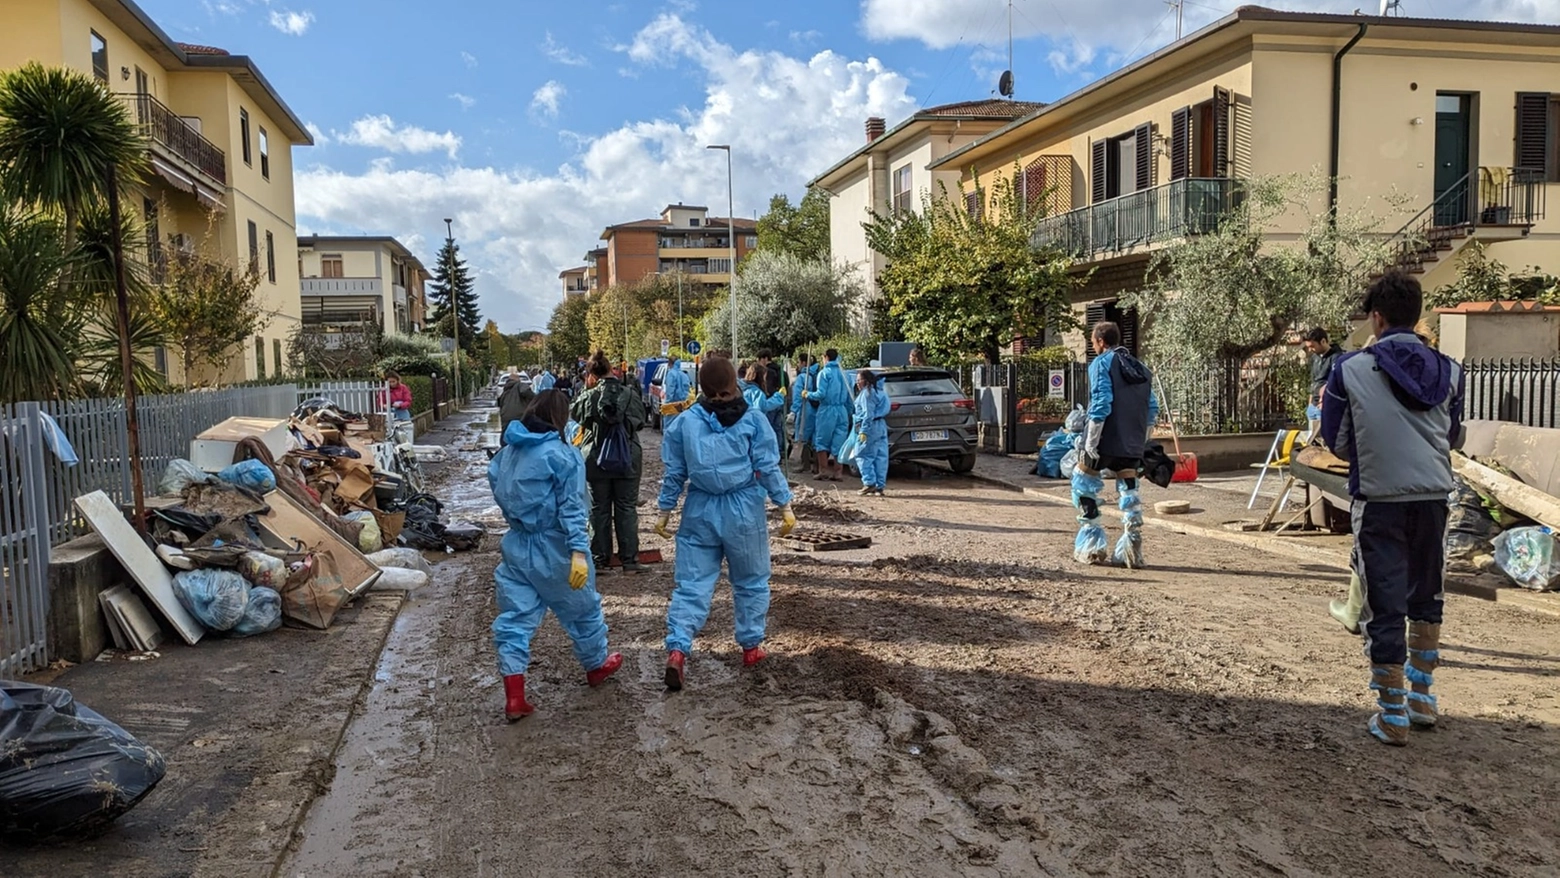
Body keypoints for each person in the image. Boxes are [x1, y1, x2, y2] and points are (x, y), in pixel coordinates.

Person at [1321, 272, 1463, 747]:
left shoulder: (1349, 368)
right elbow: (1453, 436)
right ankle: (1423, 697)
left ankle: (1392, 712)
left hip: (1379, 498)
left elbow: (1337, 440)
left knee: (1384, 602)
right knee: (1427, 595)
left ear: (1377, 318)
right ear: (1417, 315)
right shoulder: (1449, 369)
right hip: (1433, 498)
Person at [654, 357, 796, 692]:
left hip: (699, 509)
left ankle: (677, 648)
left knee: (691, 585)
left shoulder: (685, 423)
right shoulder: (754, 421)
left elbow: (674, 474)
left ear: (701, 388)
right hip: (743, 509)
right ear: (736, 384)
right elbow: (766, 467)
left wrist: (664, 511)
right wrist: (784, 505)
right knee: (750, 582)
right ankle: (750, 647)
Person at [486, 390, 623, 720]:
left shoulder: (506, 454)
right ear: (560, 417)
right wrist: (578, 549)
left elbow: (499, 490)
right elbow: (573, 507)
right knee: (584, 610)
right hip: (557, 547)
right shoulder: (563, 455)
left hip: (518, 546)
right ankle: (595, 665)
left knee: (515, 620)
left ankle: (514, 696)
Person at [1073, 322, 1158, 569]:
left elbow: (1101, 402)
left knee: (1082, 485)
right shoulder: (1141, 368)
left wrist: (1090, 441)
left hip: (1103, 440)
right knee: (1130, 492)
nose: (1093, 345)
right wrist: (1141, 441)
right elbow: (1152, 408)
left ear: (1100, 341)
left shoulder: (1101, 363)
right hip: (1131, 443)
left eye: (1092, 341)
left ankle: (1092, 547)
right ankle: (1131, 550)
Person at [572, 351, 649, 574]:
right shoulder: (630, 393)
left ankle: (600, 560)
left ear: (591, 375)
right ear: (611, 370)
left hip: (596, 458)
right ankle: (630, 562)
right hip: (627, 457)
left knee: (598, 509)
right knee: (626, 508)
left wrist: (588, 392)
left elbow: (576, 415)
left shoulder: (589, 396)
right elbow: (640, 422)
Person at [810, 348, 851, 481]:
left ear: (826, 357)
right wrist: (849, 413)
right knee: (839, 441)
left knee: (821, 440)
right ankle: (838, 472)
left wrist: (808, 394)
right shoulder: (845, 374)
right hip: (842, 410)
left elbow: (821, 394)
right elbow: (850, 397)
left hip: (827, 410)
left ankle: (823, 471)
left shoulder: (824, 373)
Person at [853, 369, 891, 496]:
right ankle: (880, 486)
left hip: (870, 426)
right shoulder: (881, 392)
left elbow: (868, 415)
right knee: (881, 456)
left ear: (866, 381)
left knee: (863, 454)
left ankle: (869, 483)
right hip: (881, 425)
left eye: (859, 380)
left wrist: (863, 431)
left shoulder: (866, 394)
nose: (857, 383)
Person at [1302, 328, 1343, 439]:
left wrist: (1325, 402)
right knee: (1313, 441)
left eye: (1313, 346)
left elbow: (1335, 382)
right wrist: (1310, 403)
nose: (1310, 350)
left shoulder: (1337, 357)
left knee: (1326, 440)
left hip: (1325, 405)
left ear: (1323, 341)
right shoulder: (1315, 358)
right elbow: (1314, 381)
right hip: (1313, 407)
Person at [742, 363, 787, 456]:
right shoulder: (757, 392)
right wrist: (779, 396)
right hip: (755, 427)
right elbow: (762, 407)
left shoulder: (743, 390)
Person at [791, 353, 818, 472]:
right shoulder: (819, 374)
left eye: (799, 362)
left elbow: (797, 396)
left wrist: (794, 411)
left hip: (805, 408)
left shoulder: (803, 377)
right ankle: (817, 466)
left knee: (804, 436)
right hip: (820, 410)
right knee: (817, 438)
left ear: (803, 363)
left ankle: (805, 464)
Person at [380, 371, 415, 445]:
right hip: (390, 414)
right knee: (391, 434)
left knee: (405, 433)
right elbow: (380, 401)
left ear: (397, 380)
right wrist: (383, 405)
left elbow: (408, 401)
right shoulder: (384, 390)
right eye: (389, 382)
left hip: (402, 413)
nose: (392, 384)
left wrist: (400, 405)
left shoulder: (403, 388)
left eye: (393, 381)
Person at [661, 355, 692, 424]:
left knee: (670, 426)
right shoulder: (684, 374)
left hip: (673, 405)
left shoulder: (671, 374)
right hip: (683, 405)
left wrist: (667, 404)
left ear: (669, 363)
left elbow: (670, 390)